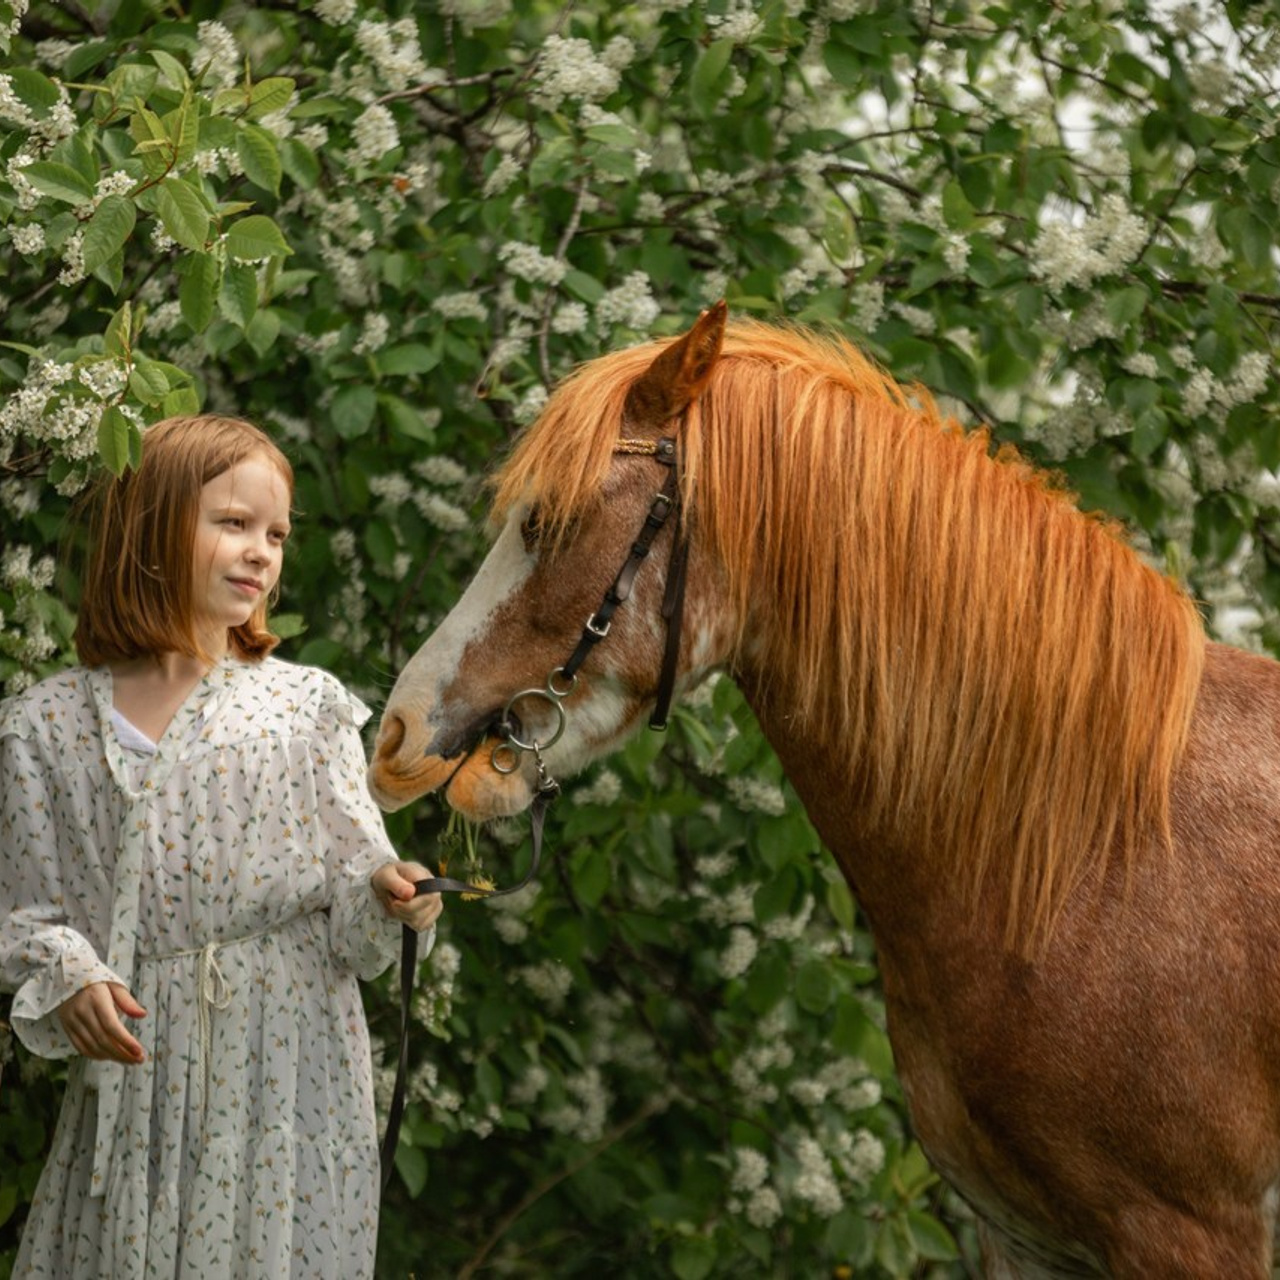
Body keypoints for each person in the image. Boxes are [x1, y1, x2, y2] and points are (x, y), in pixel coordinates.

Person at [0, 414, 442, 1279]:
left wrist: (397, 892)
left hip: (287, 1070)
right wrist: (72, 976)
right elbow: (25, 910)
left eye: (275, 534)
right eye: (233, 524)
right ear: (154, 529)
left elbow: (356, 900)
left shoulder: (304, 708)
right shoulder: (42, 726)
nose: (261, 552)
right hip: (143, 1077)